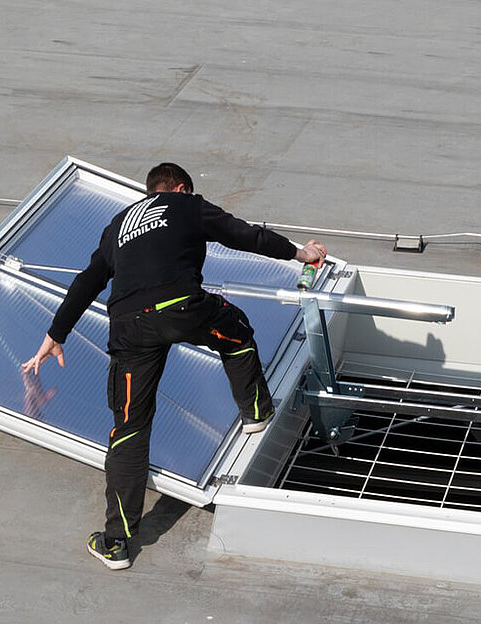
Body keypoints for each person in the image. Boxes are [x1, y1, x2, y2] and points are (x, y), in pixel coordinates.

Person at [21, 162, 326, 570]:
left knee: (129, 428)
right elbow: (242, 234)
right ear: (180, 188)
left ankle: (116, 543)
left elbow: (88, 280)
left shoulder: (118, 225)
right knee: (236, 332)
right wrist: (299, 253)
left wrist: (55, 334)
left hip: (129, 328)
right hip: (180, 307)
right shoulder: (187, 205)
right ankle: (256, 412)